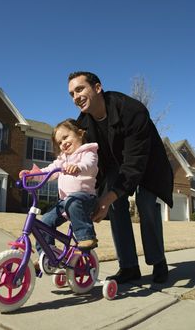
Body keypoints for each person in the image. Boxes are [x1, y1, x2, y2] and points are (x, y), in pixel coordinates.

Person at [68, 71, 173, 284]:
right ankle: (129, 267)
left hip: (149, 165)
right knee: (113, 204)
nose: (75, 97)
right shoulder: (83, 125)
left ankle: (158, 261)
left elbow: (135, 164)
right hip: (116, 166)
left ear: (97, 88)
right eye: (71, 93)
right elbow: (89, 163)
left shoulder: (132, 111)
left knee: (144, 203)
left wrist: (106, 199)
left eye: (80, 89)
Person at [19, 118, 99, 269]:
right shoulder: (62, 160)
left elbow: (91, 166)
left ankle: (86, 237)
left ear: (80, 134)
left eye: (66, 137)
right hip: (65, 202)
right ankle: (48, 255)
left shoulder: (88, 152)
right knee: (44, 222)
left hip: (84, 198)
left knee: (74, 202)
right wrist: (31, 174)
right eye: (60, 142)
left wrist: (78, 167)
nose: (63, 143)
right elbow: (48, 171)